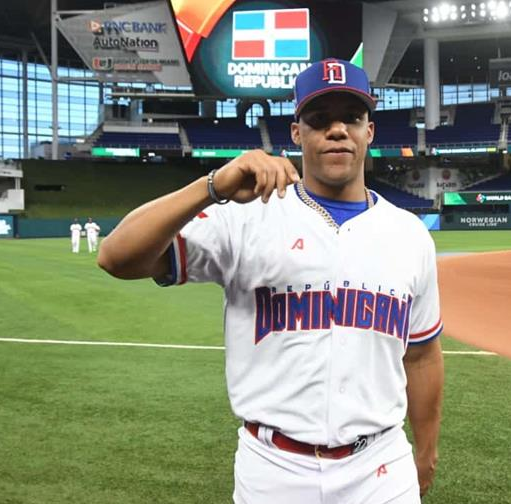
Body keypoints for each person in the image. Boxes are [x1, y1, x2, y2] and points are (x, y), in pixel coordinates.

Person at [98, 59, 444, 504]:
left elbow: (422, 355)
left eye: (352, 118)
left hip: (380, 467)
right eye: (319, 120)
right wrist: (211, 187)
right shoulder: (246, 218)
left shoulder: (409, 234)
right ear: (296, 133)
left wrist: (426, 450)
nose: (337, 130)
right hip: (273, 467)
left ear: (369, 131)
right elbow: (116, 257)